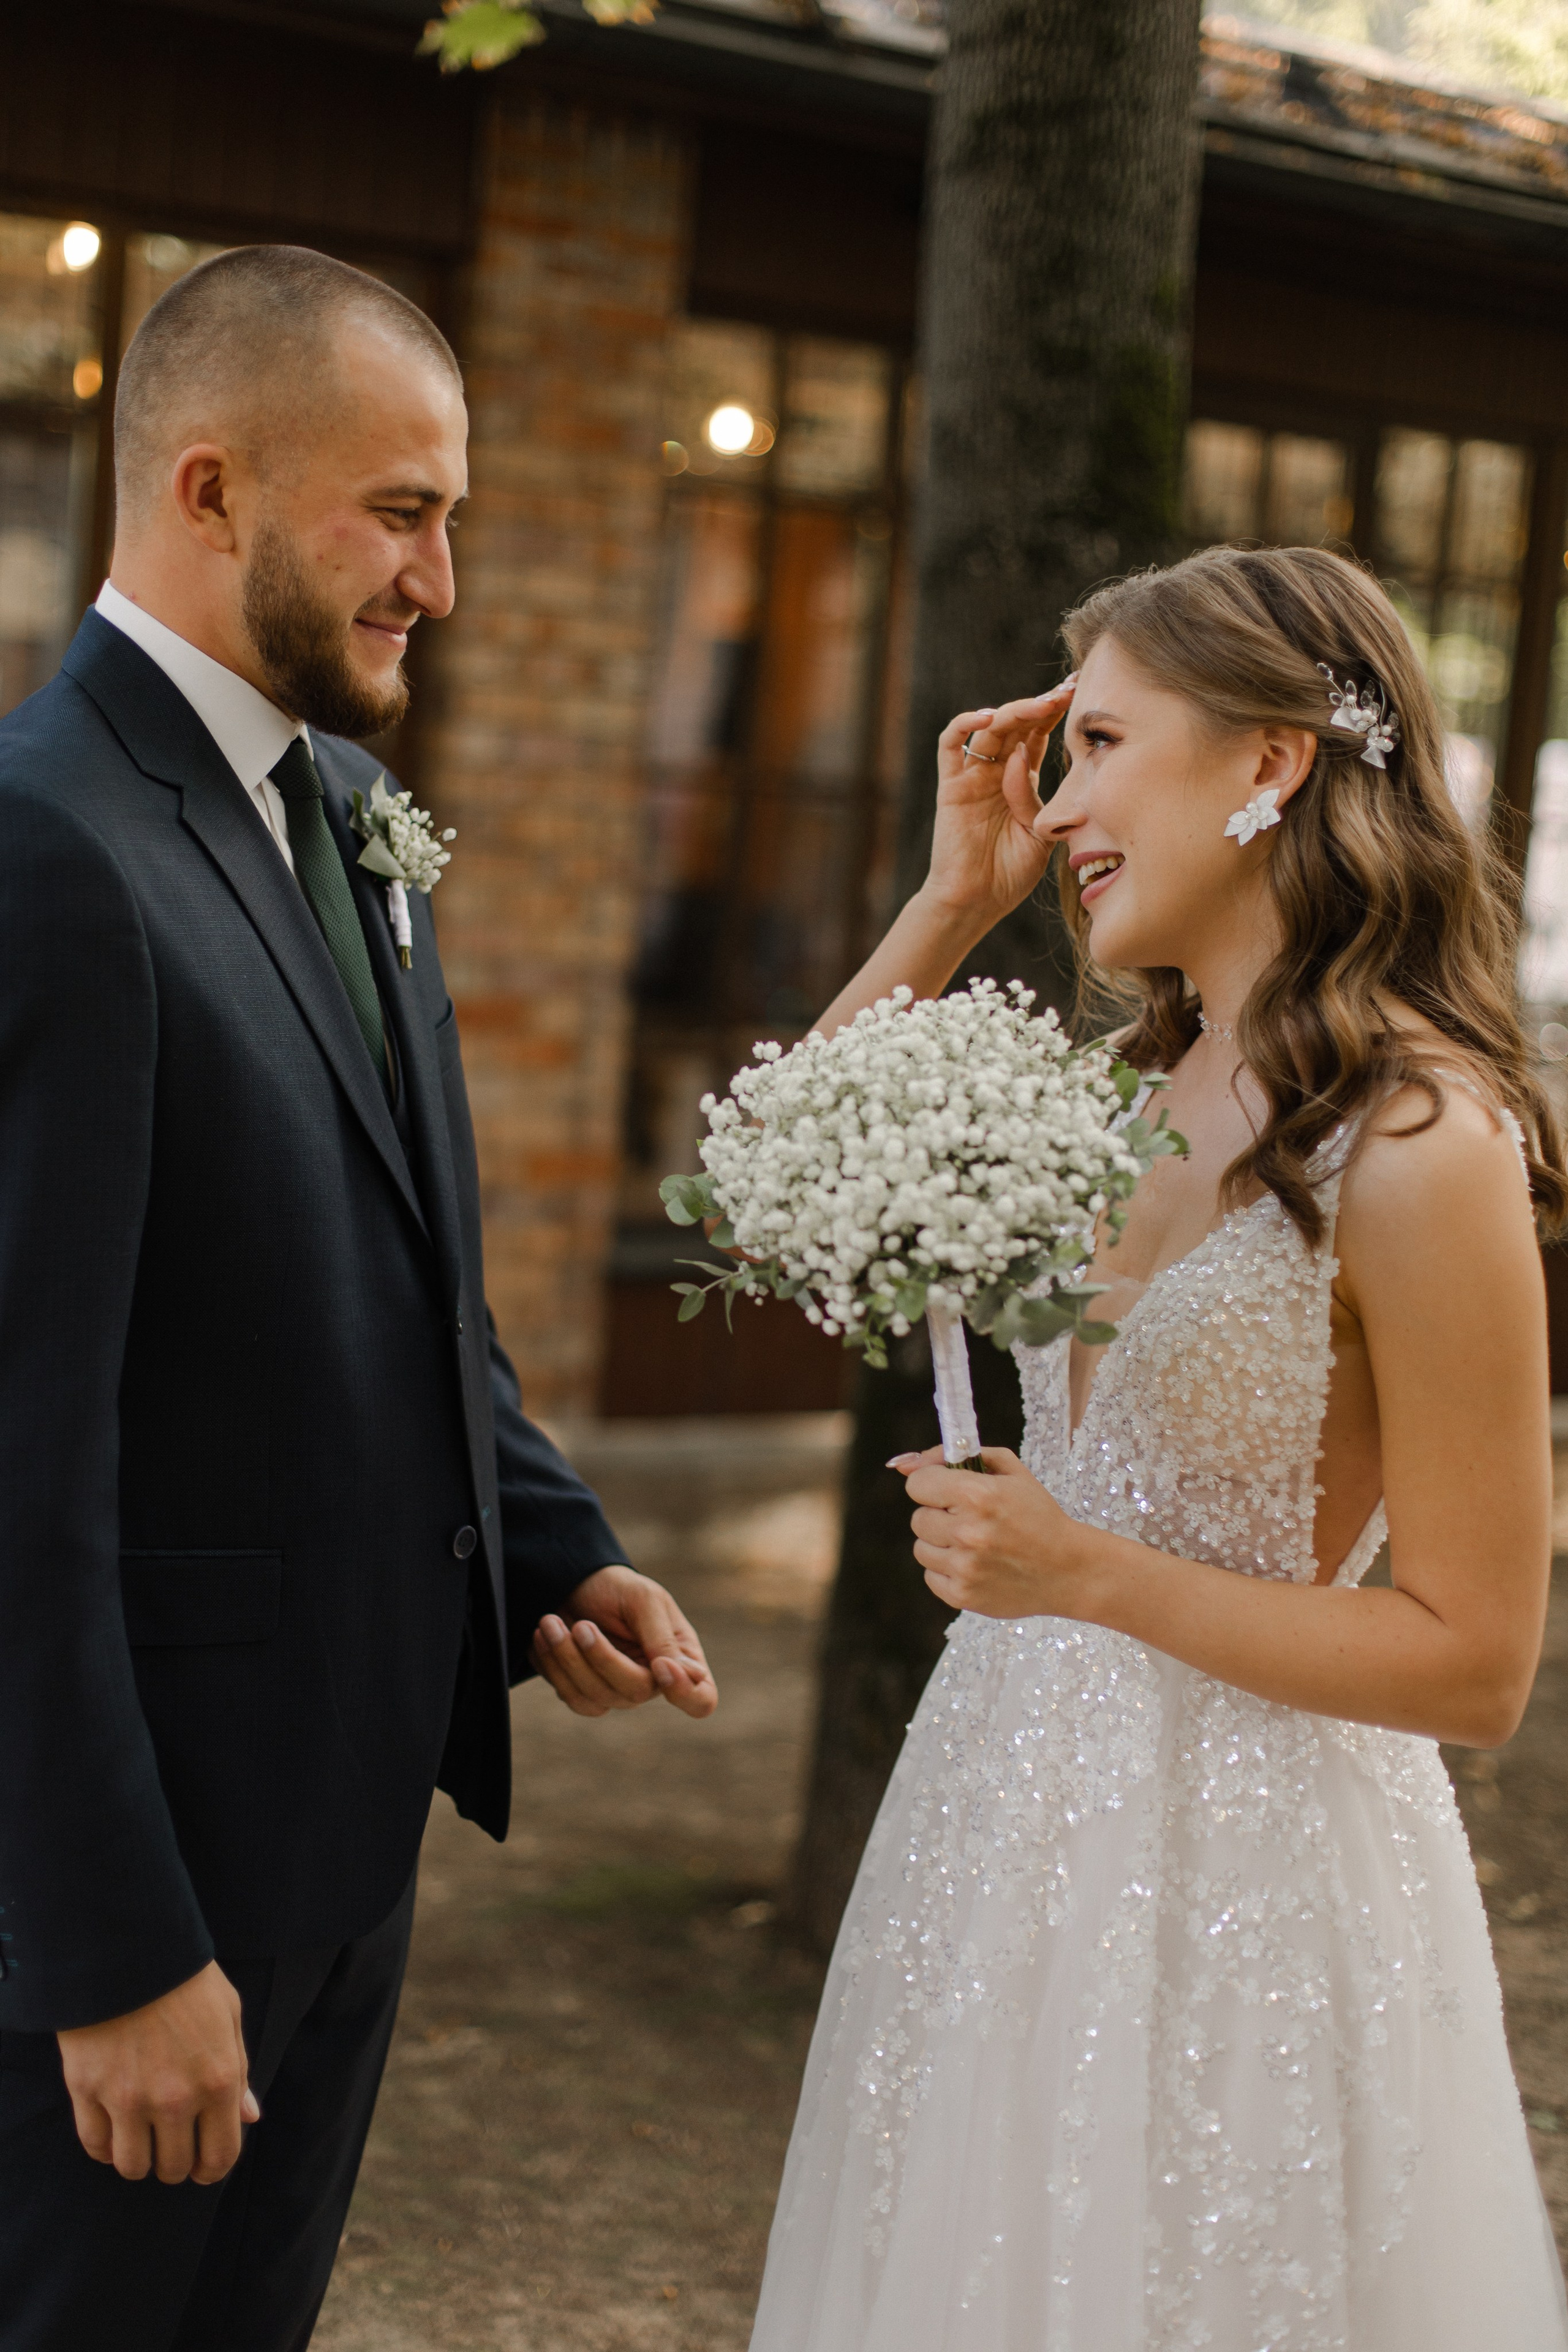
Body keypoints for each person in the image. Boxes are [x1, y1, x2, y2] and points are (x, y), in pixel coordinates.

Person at [0, 244, 715, 2352]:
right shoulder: (48, 855)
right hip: (148, 1892)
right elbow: (15, 1471)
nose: (444, 581)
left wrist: (551, 1548)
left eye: (452, 517)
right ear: (209, 489)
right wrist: (113, 1953)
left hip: (337, 1842)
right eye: (401, 515)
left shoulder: (354, 811)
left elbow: (407, 1272)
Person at [749, 544, 1568, 2348]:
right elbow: (786, 1195)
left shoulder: (1421, 1144)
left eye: (1104, 746)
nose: (1059, 809)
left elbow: (1479, 1661)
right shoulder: (1110, 1096)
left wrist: (1088, 1576)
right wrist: (947, 906)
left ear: (1270, 762)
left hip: (1251, 1887)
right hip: (1006, 1828)